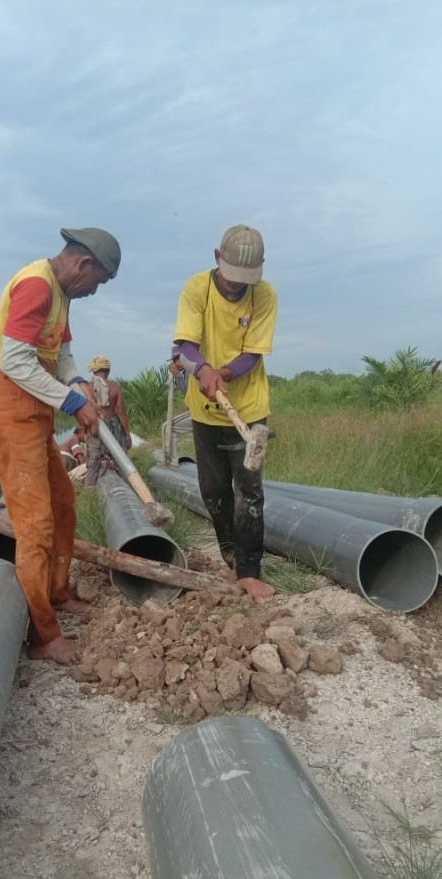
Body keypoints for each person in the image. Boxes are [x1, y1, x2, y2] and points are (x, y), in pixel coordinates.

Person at [0, 227, 118, 666]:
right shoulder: (38, 284)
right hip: (10, 405)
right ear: (83, 264)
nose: (93, 292)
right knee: (34, 524)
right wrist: (73, 400)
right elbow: (16, 359)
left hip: (35, 408)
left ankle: (58, 593)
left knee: (62, 503)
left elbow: (64, 355)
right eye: (96, 283)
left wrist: (76, 383)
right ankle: (43, 635)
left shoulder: (62, 294)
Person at [172, 224, 277, 603]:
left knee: (248, 492)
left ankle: (250, 573)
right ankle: (232, 561)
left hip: (248, 410)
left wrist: (225, 373)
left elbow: (253, 352)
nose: (236, 287)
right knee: (213, 492)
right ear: (217, 258)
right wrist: (202, 370)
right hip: (204, 412)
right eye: (231, 278)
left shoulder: (264, 296)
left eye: (244, 280)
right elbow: (186, 345)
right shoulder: (196, 289)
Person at [83, 355, 132, 487]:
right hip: (113, 426)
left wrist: (83, 430)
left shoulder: (87, 387)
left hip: (95, 426)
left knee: (93, 461)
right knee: (121, 458)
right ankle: (128, 486)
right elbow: (120, 412)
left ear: (93, 371)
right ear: (108, 371)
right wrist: (127, 434)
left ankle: (90, 491)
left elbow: (84, 413)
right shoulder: (115, 387)